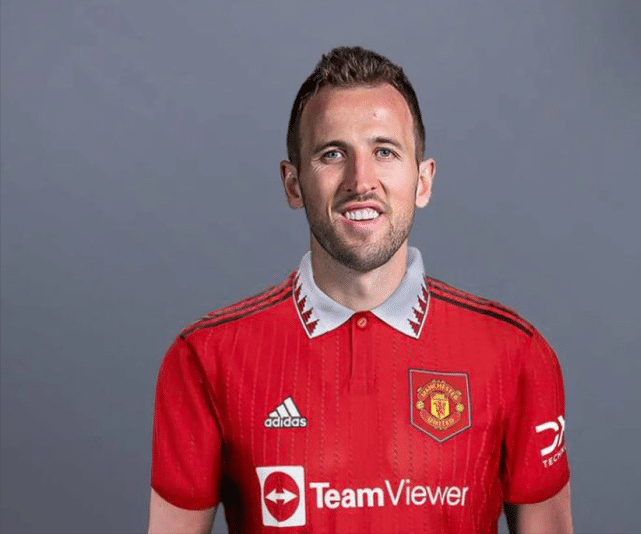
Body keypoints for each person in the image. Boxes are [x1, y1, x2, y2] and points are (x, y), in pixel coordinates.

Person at [147, 46, 573, 534]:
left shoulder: (516, 355)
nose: (361, 181)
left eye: (384, 151)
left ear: (423, 181)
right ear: (293, 184)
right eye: (332, 154)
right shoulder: (205, 358)